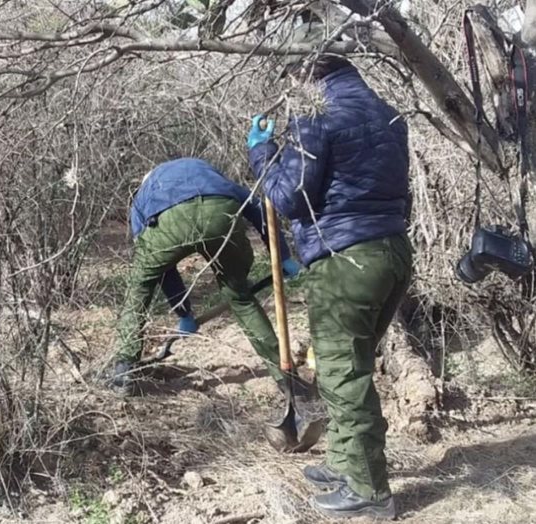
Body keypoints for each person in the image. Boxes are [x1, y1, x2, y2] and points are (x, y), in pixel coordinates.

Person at [247, 23, 413, 521]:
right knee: (352, 365)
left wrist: (261, 153)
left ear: (306, 70)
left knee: (344, 375)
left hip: (346, 261)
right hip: (392, 251)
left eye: (292, 77)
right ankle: (344, 462)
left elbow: (289, 197)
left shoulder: (317, 116)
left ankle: (369, 492)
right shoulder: (389, 113)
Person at [108, 157, 301, 396]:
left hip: (166, 226)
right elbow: (258, 207)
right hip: (220, 211)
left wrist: (184, 313)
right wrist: (282, 255)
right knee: (241, 298)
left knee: (139, 289)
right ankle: (288, 380)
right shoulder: (209, 174)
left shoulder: (142, 200)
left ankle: (124, 371)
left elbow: (161, 271)